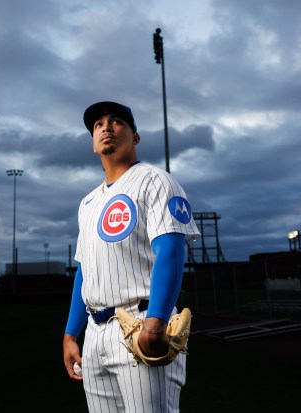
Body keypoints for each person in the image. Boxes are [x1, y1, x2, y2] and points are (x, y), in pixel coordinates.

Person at [62, 101, 200, 412]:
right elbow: (84, 271)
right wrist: (71, 334)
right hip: (95, 334)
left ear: (135, 138)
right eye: (98, 125)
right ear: (93, 143)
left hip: (142, 322)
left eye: (116, 122)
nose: (106, 127)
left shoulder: (156, 180)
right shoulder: (87, 203)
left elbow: (171, 249)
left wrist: (157, 321)